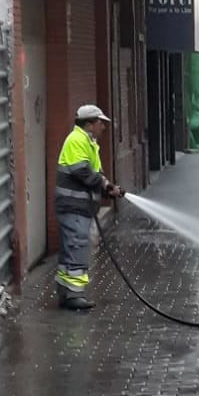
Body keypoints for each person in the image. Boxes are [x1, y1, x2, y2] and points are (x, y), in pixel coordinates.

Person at [54, 103, 121, 312]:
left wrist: (107, 187)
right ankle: (74, 295)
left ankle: (65, 292)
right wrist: (104, 185)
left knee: (70, 248)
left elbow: (95, 173)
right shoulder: (76, 140)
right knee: (76, 246)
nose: (104, 127)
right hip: (73, 206)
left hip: (78, 206)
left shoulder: (88, 142)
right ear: (90, 124)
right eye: (101, 123)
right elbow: (81, 171)